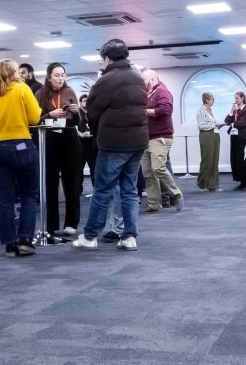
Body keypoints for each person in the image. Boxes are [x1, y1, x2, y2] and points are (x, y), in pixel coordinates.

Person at [72, 39, 148, 251]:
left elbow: (92, 112)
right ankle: (129, 236)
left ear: (106, 58)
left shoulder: (106, 80)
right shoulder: (138, 76)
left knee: (103, 190)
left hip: (113, 143)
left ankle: (89, 236)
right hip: (137, 142)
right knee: (130, 190)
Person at [0, 59, 42, 257]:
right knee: (28, 196)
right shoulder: (22, 89)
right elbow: (34, 118)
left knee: (5, 198)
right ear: (15, 72)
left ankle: (9, 244)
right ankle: (25, 240)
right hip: (22, 145)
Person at [38, 63, 84, 237]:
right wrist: (50, 115)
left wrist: (76, 111)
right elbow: (35, 119)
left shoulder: (70, 92)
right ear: (49, 77)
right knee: (50, 182)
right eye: (56, 75)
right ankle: (50, 223)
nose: (60, 78)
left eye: (63, 75)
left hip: (69, 137)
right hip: (49, 138)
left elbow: (77, 121)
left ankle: (72, 222)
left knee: (72, 181)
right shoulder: (41, 94)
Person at [140, 69, 182, 213]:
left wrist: (146, 111)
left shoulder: (162, 92)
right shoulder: (147, 94)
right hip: (147, 138)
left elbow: (165, 110)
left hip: (161, 137)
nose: (141, 83)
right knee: (148, 173)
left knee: (157, 168)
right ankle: (154, 204)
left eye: (143, 81)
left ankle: (176, 193)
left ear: (151, 80)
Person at [224, 92, 246, 190]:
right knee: (234, 158)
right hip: (234, 135)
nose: (235, 100)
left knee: (239, 158)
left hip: (241, 136)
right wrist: (231, 111)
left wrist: (233, 124)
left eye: (237, 98)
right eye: (235, 98)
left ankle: (244, 181)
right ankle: (243, 179)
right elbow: (226, 121)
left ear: (242, 98)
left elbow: (244, 123)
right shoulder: (235, 109)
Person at [195, 93, 221, 191]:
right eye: (212, 99)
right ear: (207, 100)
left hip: (214, 134)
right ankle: (202, 182)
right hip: (206, 135)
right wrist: (214, 125)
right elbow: (201, 125)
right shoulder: (201, 111)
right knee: (207, 159)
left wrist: (216, 125)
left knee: (214, 159)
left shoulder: (211, 110)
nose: (213, 100)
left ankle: (212, 184)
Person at [77, 94, 97, 195]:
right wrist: (80, 134)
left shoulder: (92, 112)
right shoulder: (77, 113)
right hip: (81, 143)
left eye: (87, 100)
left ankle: (96, 190)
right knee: (79, 168)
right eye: (84, 100)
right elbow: (72, 126)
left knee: (94, 168)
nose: (86, 102)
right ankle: (78, 190)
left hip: (92, 143)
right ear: (80, 102)